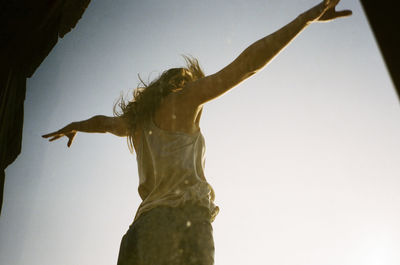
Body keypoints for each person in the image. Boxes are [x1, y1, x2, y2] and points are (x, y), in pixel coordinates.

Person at [42, 1, 351, 264]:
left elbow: (104, 123)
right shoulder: (185, 99)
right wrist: (303, 20)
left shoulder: (135, 124)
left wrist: (75, 127)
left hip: (139, 231)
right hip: (179, 222)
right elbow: (246, 66)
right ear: (182, 83)